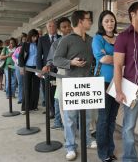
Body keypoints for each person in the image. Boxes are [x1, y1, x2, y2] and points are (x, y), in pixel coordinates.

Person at [54, 10, 97, 161]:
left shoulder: (92, 40)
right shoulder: (66, 40)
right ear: (80, 21)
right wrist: (71, 63)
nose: (90, 22)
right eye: (88, 19)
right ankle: (71, 147)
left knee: (86, 116)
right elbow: (56, 60)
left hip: (88, 83)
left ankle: (87, 140)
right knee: (70, 118)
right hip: (71, 83)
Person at [114, 1, 138, 162]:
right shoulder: (123, 37)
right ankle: (129, 158)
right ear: (132, 14)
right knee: (128, 127)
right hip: (132, 89)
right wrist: (118, 91)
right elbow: (117, 65)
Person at [92, 10, 119, 162]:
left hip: (118, 82)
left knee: (112, 118)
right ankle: (103, 154)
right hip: (103, 82)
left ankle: (110, 149)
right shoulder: (97, 38)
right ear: (102, 23)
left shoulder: (119, 38)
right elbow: (102, 59)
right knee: (103, 118)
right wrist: (119, 58)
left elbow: (121, 57)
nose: (110, 23)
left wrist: (113, 58)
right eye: (106, 21)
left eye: (112, 21)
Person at [45, 17, 72, 130]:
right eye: (64, 27)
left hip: (79, 74)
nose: (67, 29)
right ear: (60, 30)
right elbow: (52, 60)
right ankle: (65, 128)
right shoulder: (56, 43)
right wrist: (69, 62)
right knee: (61, 101)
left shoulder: (80, 39)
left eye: (68, 26)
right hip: (62, 74)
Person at [37, 20, 61, 117]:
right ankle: (51, 110)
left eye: (53, 26)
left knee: (57, 89)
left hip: (59, 68)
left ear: (56, 27)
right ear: (47, 28)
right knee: (48, 90)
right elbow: (39, 55)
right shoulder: (42, 39)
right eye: (49, 26)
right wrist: (39, 70)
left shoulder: (61, 38)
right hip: (46, 68)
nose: (51, 28)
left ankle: (58, 110)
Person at [18, 29, 40, 113]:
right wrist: (21, 66)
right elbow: (20, 56)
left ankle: (34, 106)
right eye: (33, 37)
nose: (35, 38)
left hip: (37, 68)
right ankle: (25, 108)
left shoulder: (39, 43)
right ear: (30, 36)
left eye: (36, 37)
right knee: (26, 87)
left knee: (35, 88)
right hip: (27, 68)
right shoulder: (25, 44)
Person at [12, 33, 27, 104]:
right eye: (23, 40)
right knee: (20, 83)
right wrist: (17, 61)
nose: (25, 41)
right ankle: (20, 98)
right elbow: (13, 56)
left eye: (26, 39)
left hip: (28, 67)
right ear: (21, 41)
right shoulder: (18, 48)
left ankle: (27, 98)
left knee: (27, 83)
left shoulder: (29, 48)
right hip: (18, 67)